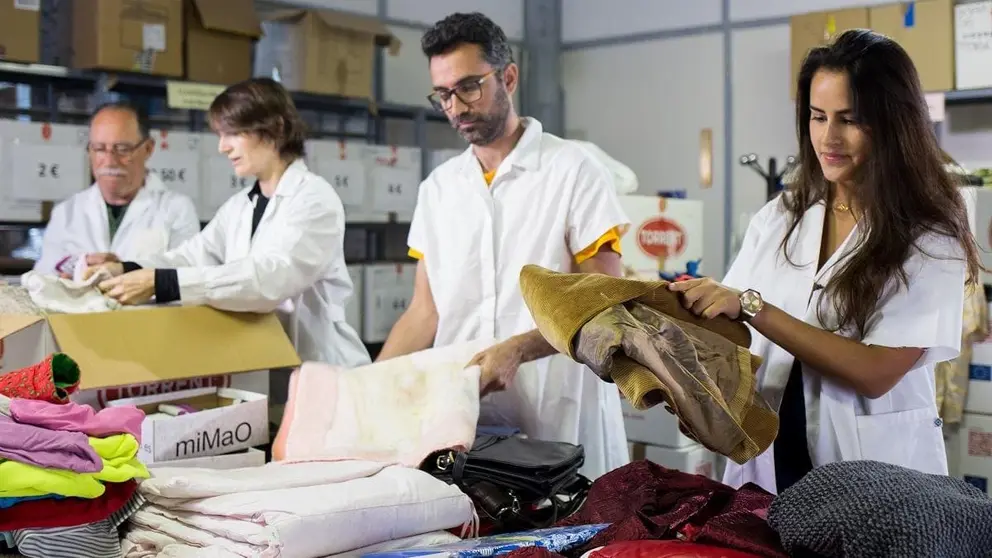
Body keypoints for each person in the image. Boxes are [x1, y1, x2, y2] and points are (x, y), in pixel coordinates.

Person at [668, 29, 981, 494]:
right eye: (818, 117)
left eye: (849, 119)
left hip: (873, 476)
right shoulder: (783, 216)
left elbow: (875, 373)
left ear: (894, 123)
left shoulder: (928, 233)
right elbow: (730, 333)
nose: (828, 138)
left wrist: (754, 307)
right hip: (768, 464)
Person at [375, 12, 630, 479]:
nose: (456, 106)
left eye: (469, 86)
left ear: (508, 77)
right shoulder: (439, 189)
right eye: (444, 94)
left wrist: (517, 349)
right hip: (466, 417)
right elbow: (424, 313)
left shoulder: (573, 170)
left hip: (559, 412)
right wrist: (368, 385)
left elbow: (603, 300)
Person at [85, 78, 370, 368]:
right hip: (263, 364)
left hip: (323, 370)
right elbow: (191, 256)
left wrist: (162, 282)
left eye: (232, 133)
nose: (222, 147)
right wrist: (126, 268)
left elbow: (268, 281)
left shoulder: (314, 198)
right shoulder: (240, 206)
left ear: (276, 129)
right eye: (220, 134)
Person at [34, 102, 200, 277]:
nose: (110, 161)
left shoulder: (176, 209)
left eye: (122, 149)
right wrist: (77, 265)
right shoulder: (66, 212)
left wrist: (126, 272)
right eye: (99, 149)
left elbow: (187, 275)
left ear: (148, 148)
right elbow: (43, 274)